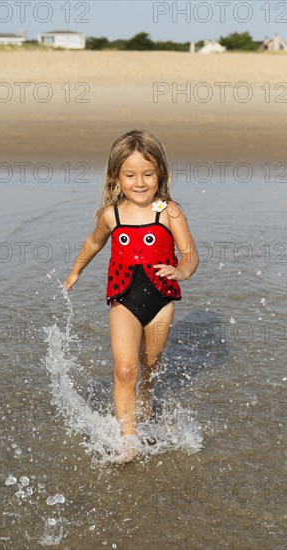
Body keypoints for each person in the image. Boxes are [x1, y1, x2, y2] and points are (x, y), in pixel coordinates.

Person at [64, 129, 199, 462]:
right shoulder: (112, 215)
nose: (140, 182)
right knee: (125, 369)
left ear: (160, 174)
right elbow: (94, 242)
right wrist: (76, 270)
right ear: (116, 177)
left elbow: (191, 254)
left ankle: (147, 395)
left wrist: (181, 271)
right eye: (130, 175)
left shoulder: (169, 211)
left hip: (161, 300)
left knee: (149, 363)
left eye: (148, 174)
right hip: (122, 298)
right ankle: (129, 439)